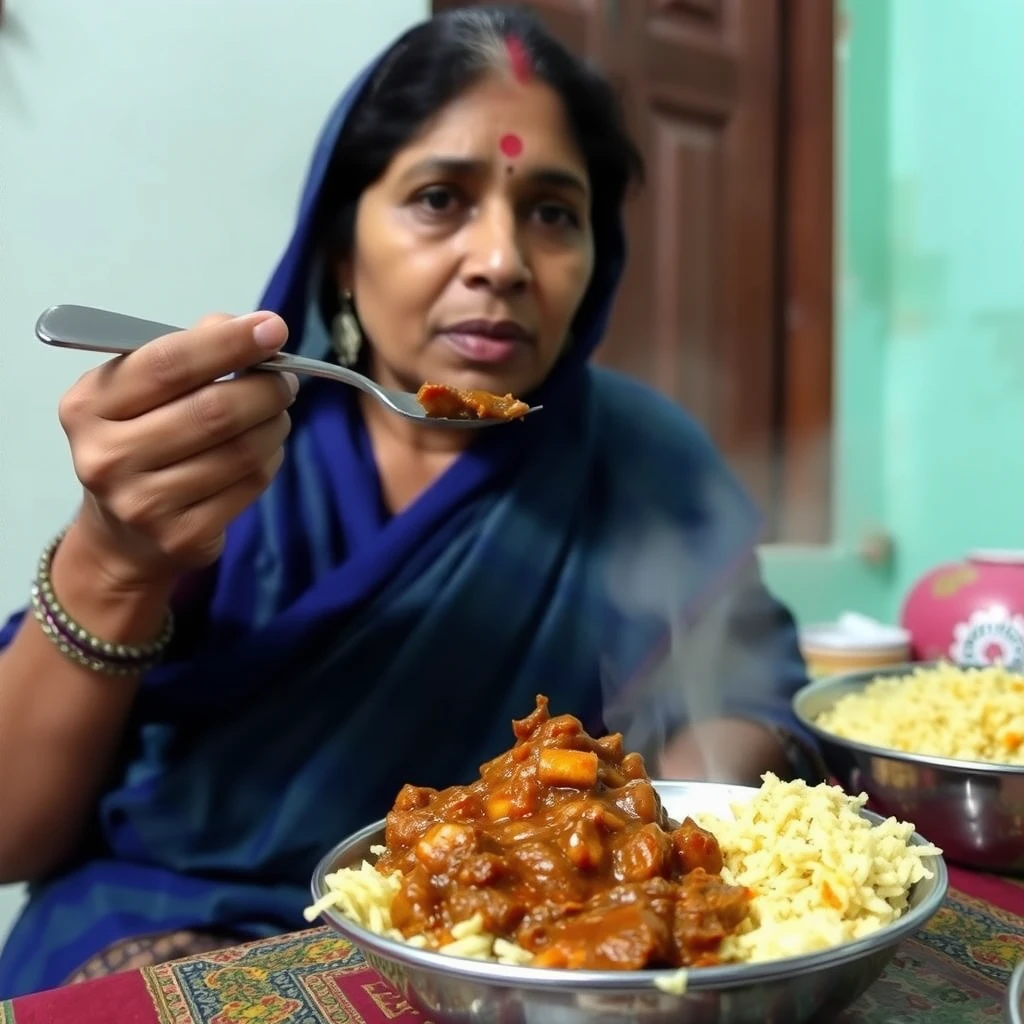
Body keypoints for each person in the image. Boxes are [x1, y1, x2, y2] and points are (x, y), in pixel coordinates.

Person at [0, 5, 820, 996]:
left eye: (554, 212)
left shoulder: (649, 462)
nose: (502, 260)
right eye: (440, 198)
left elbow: (747, 694)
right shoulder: (222, 458)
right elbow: (12, 831)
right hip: (177, 912)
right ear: (341, 248)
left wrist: (655, 826)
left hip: (526, 944)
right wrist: (110, 558)